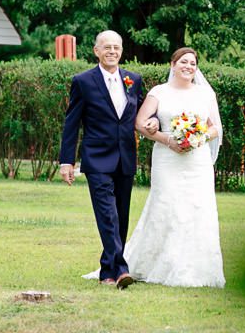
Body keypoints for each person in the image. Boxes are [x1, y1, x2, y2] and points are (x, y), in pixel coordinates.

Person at [124, 46, 226, 288]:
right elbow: (140, 122)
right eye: (183, 62)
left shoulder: (205, 95)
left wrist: (198, 138)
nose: (188, 66)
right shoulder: (159, 92)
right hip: (166, 158)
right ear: (173, 65)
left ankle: (194, 270)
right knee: (165, 204)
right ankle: (153, 265)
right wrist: (167, 139)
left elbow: (214, 128)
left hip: (197, 160)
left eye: (192, 63)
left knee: (196, 208)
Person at [58, 30, 145, 289]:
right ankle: (121, 269)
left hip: (126, 157)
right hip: (96, 158)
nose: (112, 51)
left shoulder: (134, 79)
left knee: (121, 214)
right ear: (96, 51)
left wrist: (153, 124)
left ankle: (107, 270)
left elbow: (140, 114)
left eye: (116, 47)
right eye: (106, 47)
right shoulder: (83, 81)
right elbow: (71, 124)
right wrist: (66, 161)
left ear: (121, 50)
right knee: (107, 214)